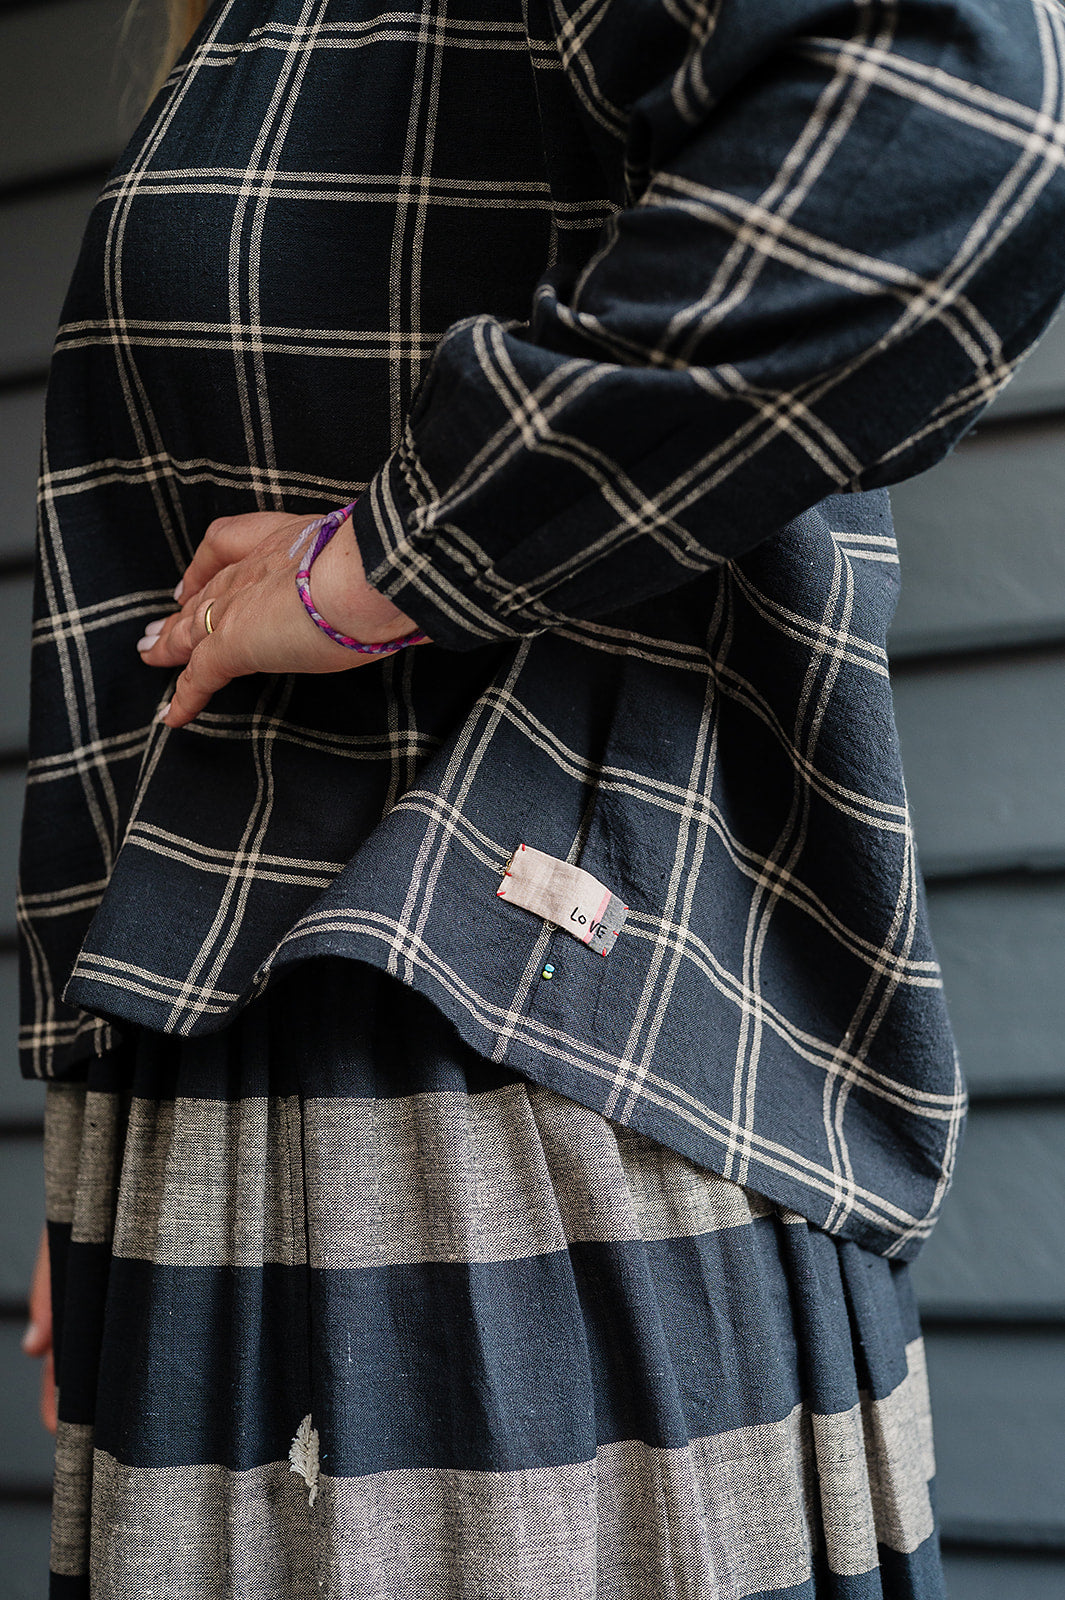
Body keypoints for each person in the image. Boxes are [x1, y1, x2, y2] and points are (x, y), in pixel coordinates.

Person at [18, 0, 1065, 1594]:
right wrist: (105, 1100)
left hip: (526, 1114)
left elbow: (958, 113)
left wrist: (388, 561)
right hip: (215, 1149)